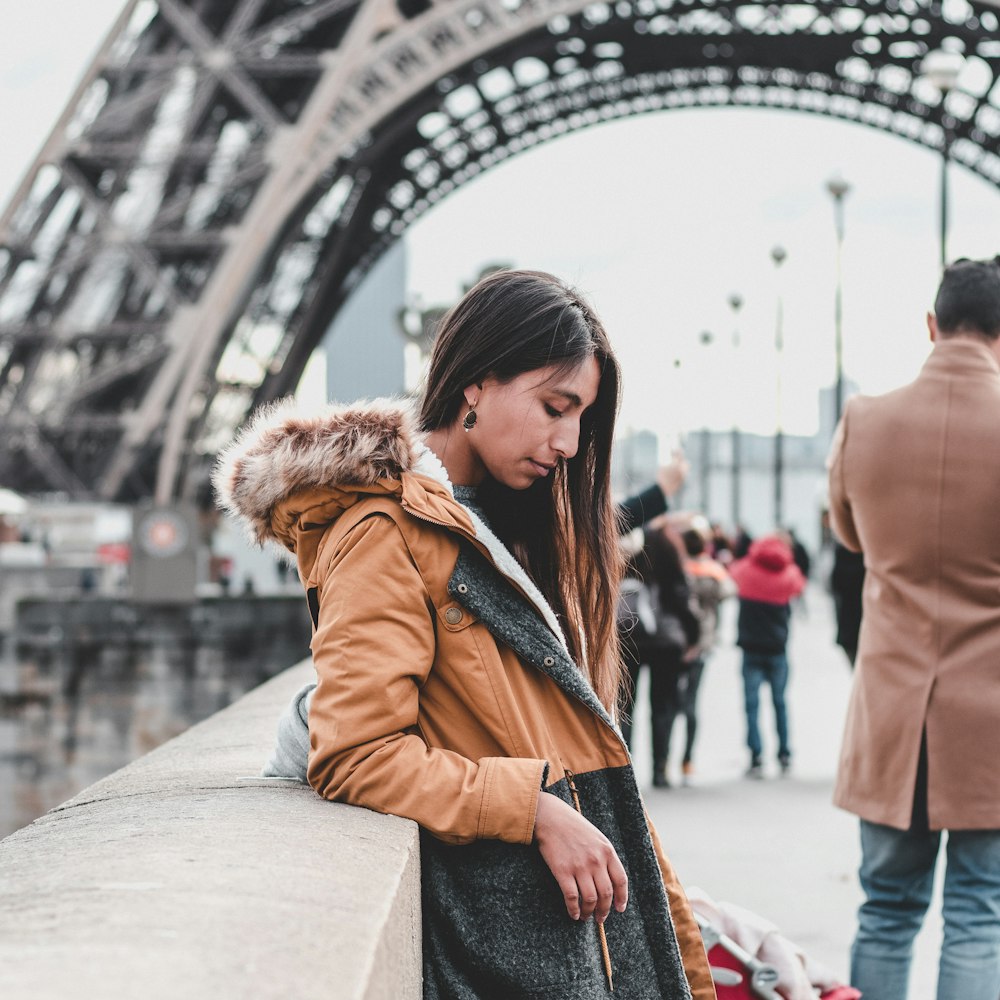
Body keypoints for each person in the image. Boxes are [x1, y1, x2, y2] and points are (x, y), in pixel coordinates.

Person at [214, 269, 715, 1000]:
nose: (571, 441)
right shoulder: (383, 530)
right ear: (477, 383)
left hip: (570, 940)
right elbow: (354, 754)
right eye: (554, 407)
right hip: (515, 951)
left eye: (582, 418)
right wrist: (534, 809)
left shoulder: (503, 526)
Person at [827, 256, 1000, 1000]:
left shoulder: (865, 419)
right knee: (978, 915)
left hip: (893, 711)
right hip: (991, 717)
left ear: (932, 326)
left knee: (886, 911)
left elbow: (848, 534)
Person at [618, 521, 701, 789]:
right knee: (662, 706)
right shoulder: (668, 553)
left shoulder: (626, 555)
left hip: (628, 636)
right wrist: (693, 636)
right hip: (666, 641)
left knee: (625, 707)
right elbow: (681, 598)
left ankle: (624, 771)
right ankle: (660, 770)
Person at [729, 534, 805, 778]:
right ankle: (784, 753)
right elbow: (800, 588)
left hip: (751, 648)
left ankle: (756, 756)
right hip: (777, 648)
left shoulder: (743, 571)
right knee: (780, 702)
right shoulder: (789, 574)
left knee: (752, 705)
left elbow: (729, 577)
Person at [680, 526, 735, 784]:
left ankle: (663, 761)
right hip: (703, 641)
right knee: (692, 702)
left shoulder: (678, 567)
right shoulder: (712, 570)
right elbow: (729, 591)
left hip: (676, 641)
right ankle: (687, 759)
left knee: (667, 704)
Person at [829, 537, 864, 668]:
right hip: (870, 627)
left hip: (848, 628)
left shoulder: (842, 552)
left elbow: (834, 584)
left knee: (857, 673)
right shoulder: (870, 555)